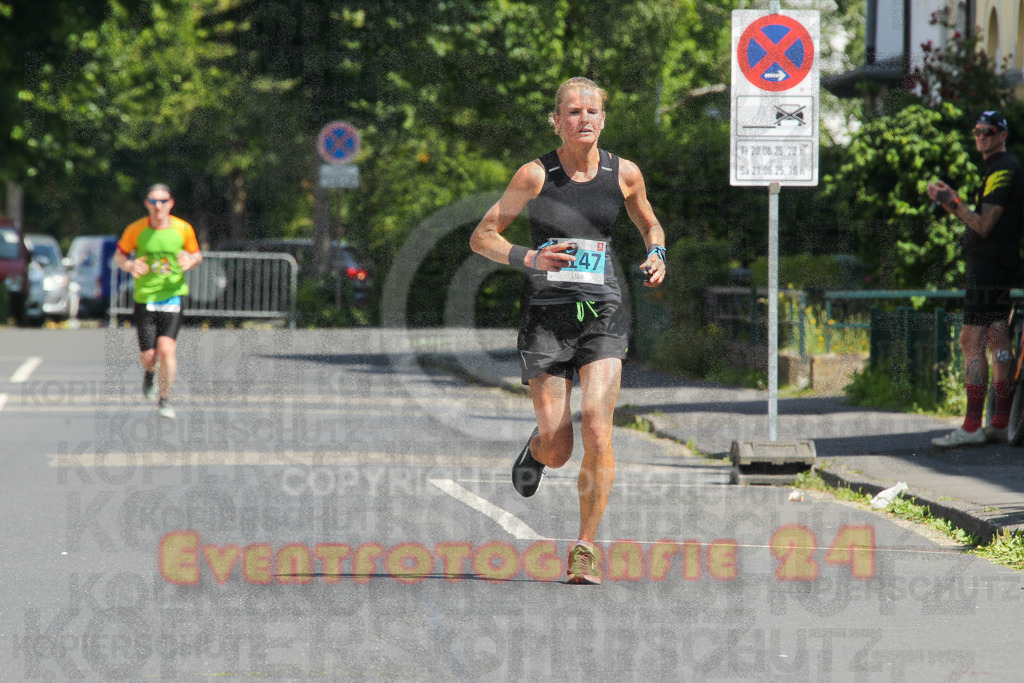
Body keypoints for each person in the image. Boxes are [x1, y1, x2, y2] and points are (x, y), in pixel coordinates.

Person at [470, 77, 666, 584]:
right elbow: (482, 236)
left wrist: (657, 253)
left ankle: (585, 548)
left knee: (598, 427)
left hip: (602, 312)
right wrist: (530, 257)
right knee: (560, 448)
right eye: (573, 112)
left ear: (603, 119)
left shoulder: (625, 174)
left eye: (592, 111)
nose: (584, 119)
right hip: (547, 317)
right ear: (556, 121)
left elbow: (649, 223)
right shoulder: (535, 175)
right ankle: (538, 448)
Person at [927, 110, 1024, 447]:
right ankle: (999, 422)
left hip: (988, 265)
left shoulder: (1002, 169)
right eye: (978, 131)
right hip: (1000, 263)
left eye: (988, 131)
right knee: (998, 337)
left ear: (1002, 135)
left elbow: (984, 225)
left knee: (971, 341)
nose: (981, 136)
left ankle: (971, 426)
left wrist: (951, 202)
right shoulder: (1002, 167)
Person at [113, 184, 202, 419]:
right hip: (145, 298)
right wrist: (130, 265)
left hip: (172, 296)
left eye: (163, 201)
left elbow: (197, 255)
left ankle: (165, 399)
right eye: (153, 201)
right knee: (149, 357)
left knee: (166, 349)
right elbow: (120, 256)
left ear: (171, 203)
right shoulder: (136, 230)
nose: (158, 206)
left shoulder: (183, 229)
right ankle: (149, 374)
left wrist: (190, 260)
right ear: (147, 204)